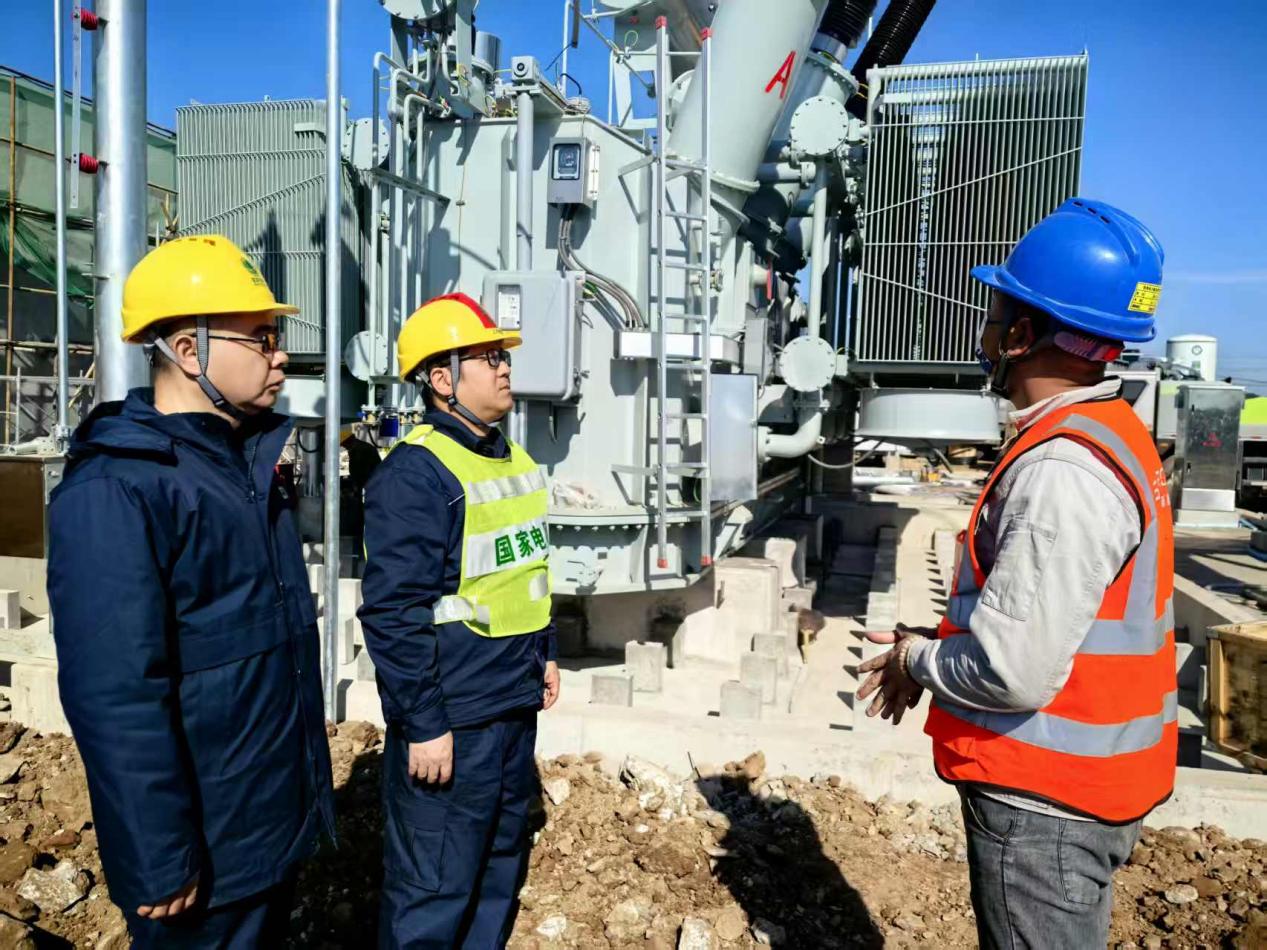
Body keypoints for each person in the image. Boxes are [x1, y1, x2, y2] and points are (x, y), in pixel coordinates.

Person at [858, 198, 1176, 948]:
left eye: (995, 313)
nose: (985, 329)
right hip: (1079, 789)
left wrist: (914, 659)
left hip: (1045, 804)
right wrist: (940, 641)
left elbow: (1011, 672)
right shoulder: (1108, 432)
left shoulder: (1062, 470)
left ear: (1023, 335)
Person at [46, 235, 335, 947]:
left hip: (263, 830)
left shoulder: (241, 472)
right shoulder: (118, 489)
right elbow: (116, 692)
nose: (279, 357)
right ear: (187, 350)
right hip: (200, 856)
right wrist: (158, 854)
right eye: (261, 338)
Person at [359, 292, 560, 948]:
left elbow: (526, 570)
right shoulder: (415, 475)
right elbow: (392, 613)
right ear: (442, 380)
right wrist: (424, 723)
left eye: (503, 356)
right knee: (434, 889)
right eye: (487, 357)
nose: (504, 368)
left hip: (512, 705)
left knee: (497, 868)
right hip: (455, 718)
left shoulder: (512, 459)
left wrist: (547, 653)